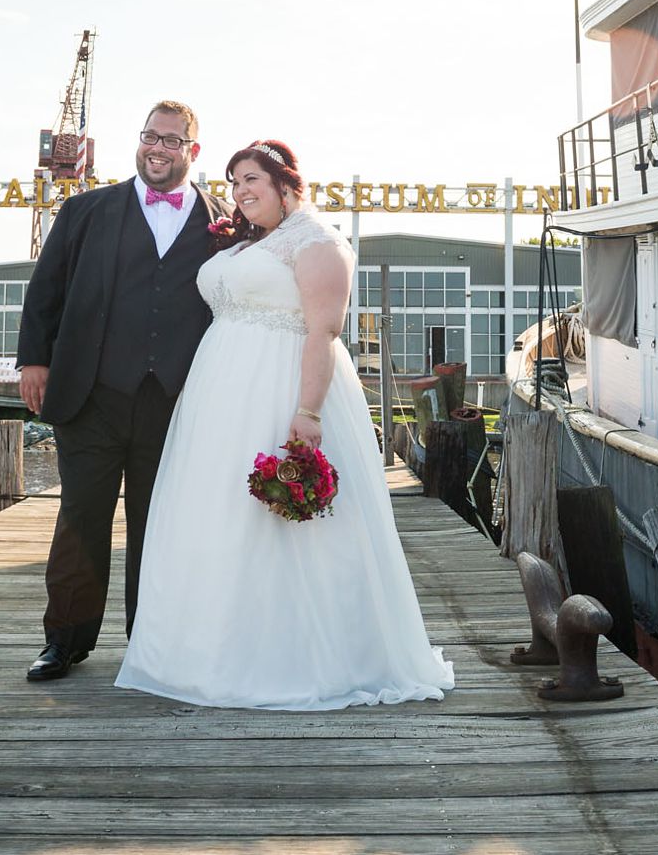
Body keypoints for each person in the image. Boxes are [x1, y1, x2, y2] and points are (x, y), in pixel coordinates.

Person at [116, 140, 455, 710]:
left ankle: (296, 659)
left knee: (285, 522)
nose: (241, 192)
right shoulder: (256, 242)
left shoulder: (318, 243)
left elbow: (322, 332)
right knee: (221, 517)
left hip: (279, 389)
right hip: (218, 396)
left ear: (285, 184)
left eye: (252, 180)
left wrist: (308, 411)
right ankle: (211, 649)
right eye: (235, 183)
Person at [15, 100, 230, 681]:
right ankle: (64, 641)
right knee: (80, 518)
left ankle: (150, 641)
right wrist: (34, 360)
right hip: (92, 394)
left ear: (193, 150)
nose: (156, 149)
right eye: (148, 137)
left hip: (175, 401)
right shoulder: (86, 210)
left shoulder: (224, 222)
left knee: (157, 523)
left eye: (170, 140)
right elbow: (46, 291)